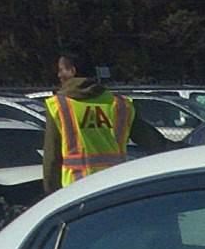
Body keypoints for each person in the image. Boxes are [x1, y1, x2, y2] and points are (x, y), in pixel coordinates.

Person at [40, 48, 161, 193]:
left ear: (73, 71)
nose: (58, 75)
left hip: (75, 194)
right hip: (114, 190)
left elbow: (51, 161)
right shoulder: (121, 105)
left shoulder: (58, 106)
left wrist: (51, 197)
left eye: (61, 70)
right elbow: (154, 142)